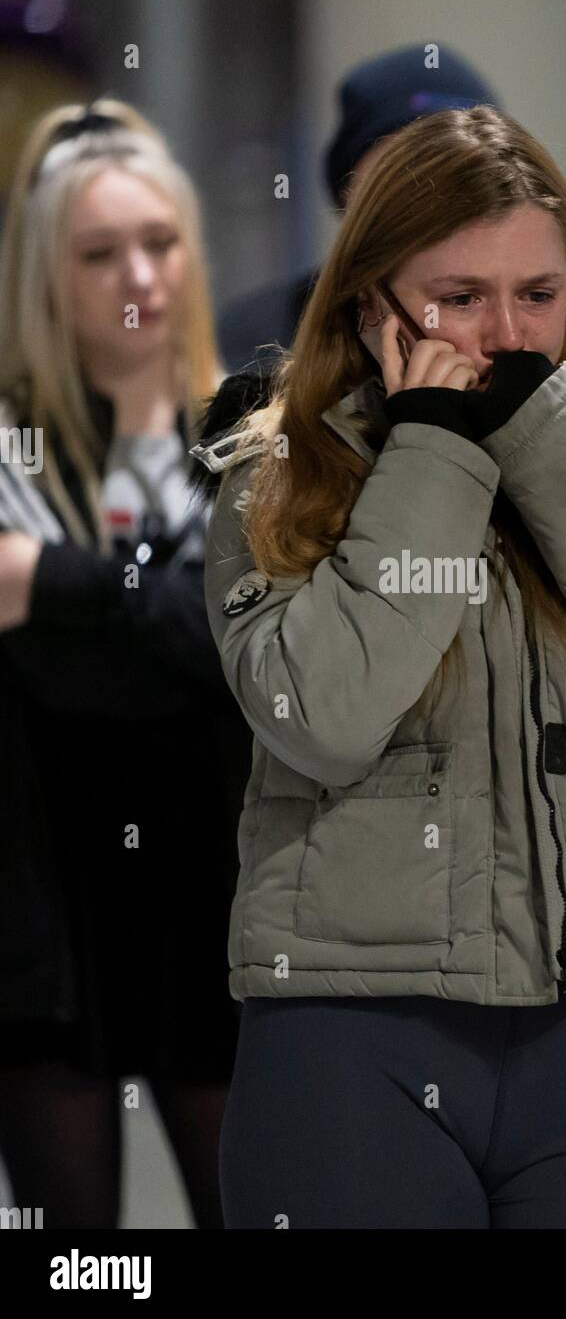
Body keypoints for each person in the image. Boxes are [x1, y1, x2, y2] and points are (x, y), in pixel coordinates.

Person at [190, 104, 566, 1230]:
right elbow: (321, 714)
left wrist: (554, 435)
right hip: (345, 1036)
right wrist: (430, 441)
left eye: (538, 293)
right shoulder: (281, 464)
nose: (507, 335)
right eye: (457, 298)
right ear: (371, 296)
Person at [0, 99, 251, 1229]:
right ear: (45, 273)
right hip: (48, 913)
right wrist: (163, 623)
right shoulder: (14, 442)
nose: (135, 274)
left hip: (219, 904)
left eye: (159, 241)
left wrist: (55, 588)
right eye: (97, 253)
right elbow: (74, 680)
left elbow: (240, 646)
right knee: (81, 1264)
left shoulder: (249, 433)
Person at [217, 43, 501, 373]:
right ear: (347, 193)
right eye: (397, 177)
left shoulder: (529, 324)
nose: (431, 201)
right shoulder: (256, 338)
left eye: (458, 175)